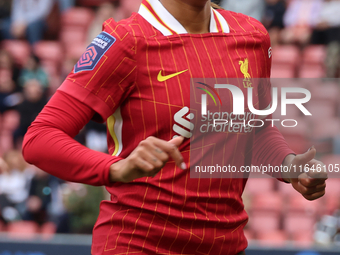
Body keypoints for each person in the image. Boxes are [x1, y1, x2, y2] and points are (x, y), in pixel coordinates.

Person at [22, 1, 328, 254]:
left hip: (225, 245)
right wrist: (116, 168)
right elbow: (40, 138)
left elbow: (255, 129)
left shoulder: (253, 35)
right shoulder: (127, 40)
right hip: (138, 243)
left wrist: (288, 165)